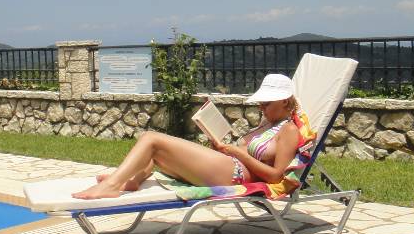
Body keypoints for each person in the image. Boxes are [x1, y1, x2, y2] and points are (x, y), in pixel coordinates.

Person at [72, 73, 310, 199]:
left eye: (266, 103)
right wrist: (224, 147)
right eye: (261, 103)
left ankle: (113, 185)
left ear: (284, 101)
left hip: (235, 175)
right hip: (228, 164)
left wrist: (238, 153)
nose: (261, 108)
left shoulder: (288, 130)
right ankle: (131, 180)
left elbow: (276, 177)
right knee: (153, 151)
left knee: (151, 139)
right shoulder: (268, 123)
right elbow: (247, 151)